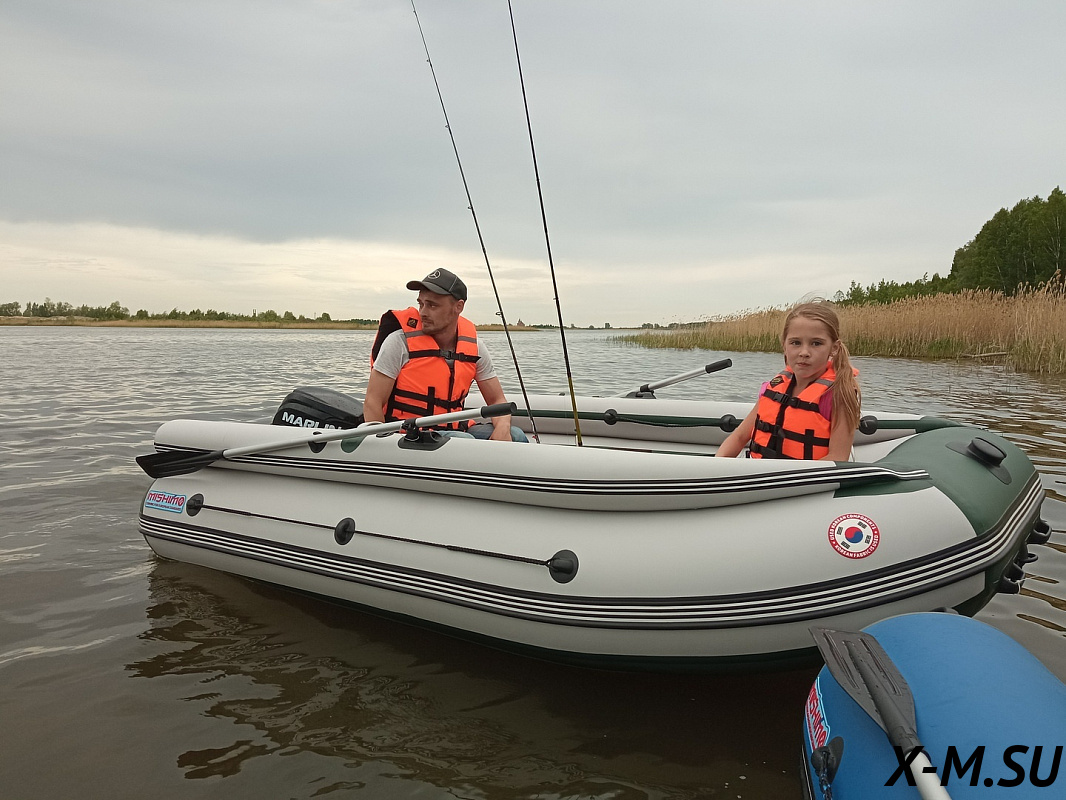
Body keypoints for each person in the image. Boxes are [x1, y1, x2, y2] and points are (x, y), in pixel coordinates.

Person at [363, 268, 528, 442]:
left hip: (454, 430)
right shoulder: (399, 342)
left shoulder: (475, 348)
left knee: (516, 435)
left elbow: (496, 399)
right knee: (462, 441)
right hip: (407, 435)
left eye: (432, 305)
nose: (423, 312)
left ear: (458, 307)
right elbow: (372, 402)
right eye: (421, 304)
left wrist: (502, 428)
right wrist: (382, 445)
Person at [716, 300, 861, 461]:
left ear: (834, 348)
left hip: (804, 476)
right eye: (795, 343)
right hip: (758, 471)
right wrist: (716, 465)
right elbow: (739, 437)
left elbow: (838, 457)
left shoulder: (839, 395)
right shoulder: (774, 387)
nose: (804, 352)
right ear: (784, 345)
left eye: (816, 343)